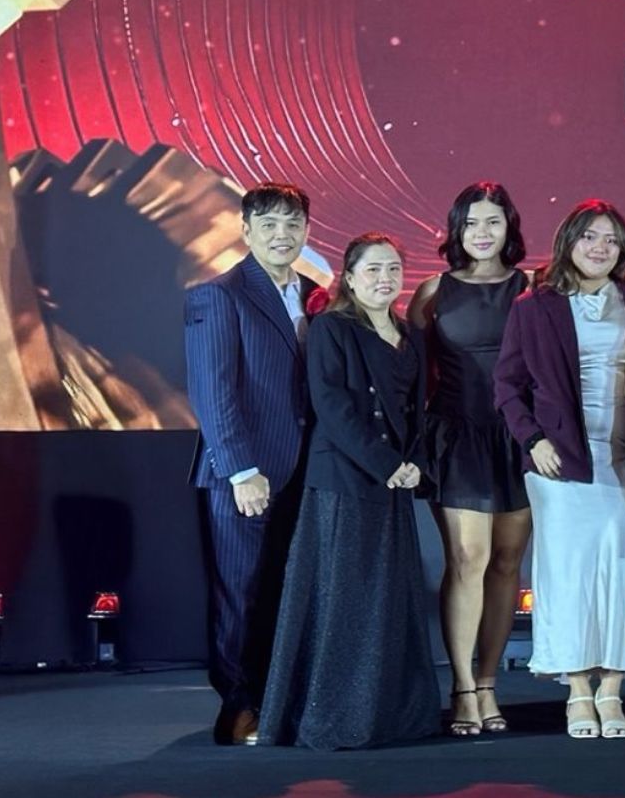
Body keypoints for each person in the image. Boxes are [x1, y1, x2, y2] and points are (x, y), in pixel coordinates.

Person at [257, 233, 439, 751]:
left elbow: (417, 411)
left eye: (393, 269)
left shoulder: (409, 334)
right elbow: (331, 407)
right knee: (344, 600)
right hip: (344, 479)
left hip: (393, 481)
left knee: (387, 600)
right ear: (351, 278)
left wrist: (414, 464)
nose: (385, 278)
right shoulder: (331, 328)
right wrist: (387, 464)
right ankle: (334, 718)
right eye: (373, 269)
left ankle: (388, 715)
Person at [494, 199, 625, 740]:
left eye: (611, 239)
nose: (600, 247)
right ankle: (576, 692)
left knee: (621, 569)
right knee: (566, 575)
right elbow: (508, 386)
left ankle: (611, 691)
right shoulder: (534, 305)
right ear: (569, 241)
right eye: (590, 236)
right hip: (560, 457)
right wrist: (533, 439)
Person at [183, 182, 320, 746]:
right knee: (239, 594)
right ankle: (237, 708)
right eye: (268, 225)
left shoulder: (317, 295)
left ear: (307, 230)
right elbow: (212, 391)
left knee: (287, 590)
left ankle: (280, 698)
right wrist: (241, 470)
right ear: (245, 230)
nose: (281, 235)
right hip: (243, 475)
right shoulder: (219, 295)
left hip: (306, 471)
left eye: (292, 224)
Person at [408, 182, 531, 736]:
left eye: (493, 222)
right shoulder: (434, 290)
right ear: (456, 229)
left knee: (507, 562)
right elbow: (411, 375)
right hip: (456, 436)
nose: (482, 233)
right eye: (472, 223)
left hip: (518, 438)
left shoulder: (534, 288)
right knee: (469, 558)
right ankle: (460, 687)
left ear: (509, 229)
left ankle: (487, 683)